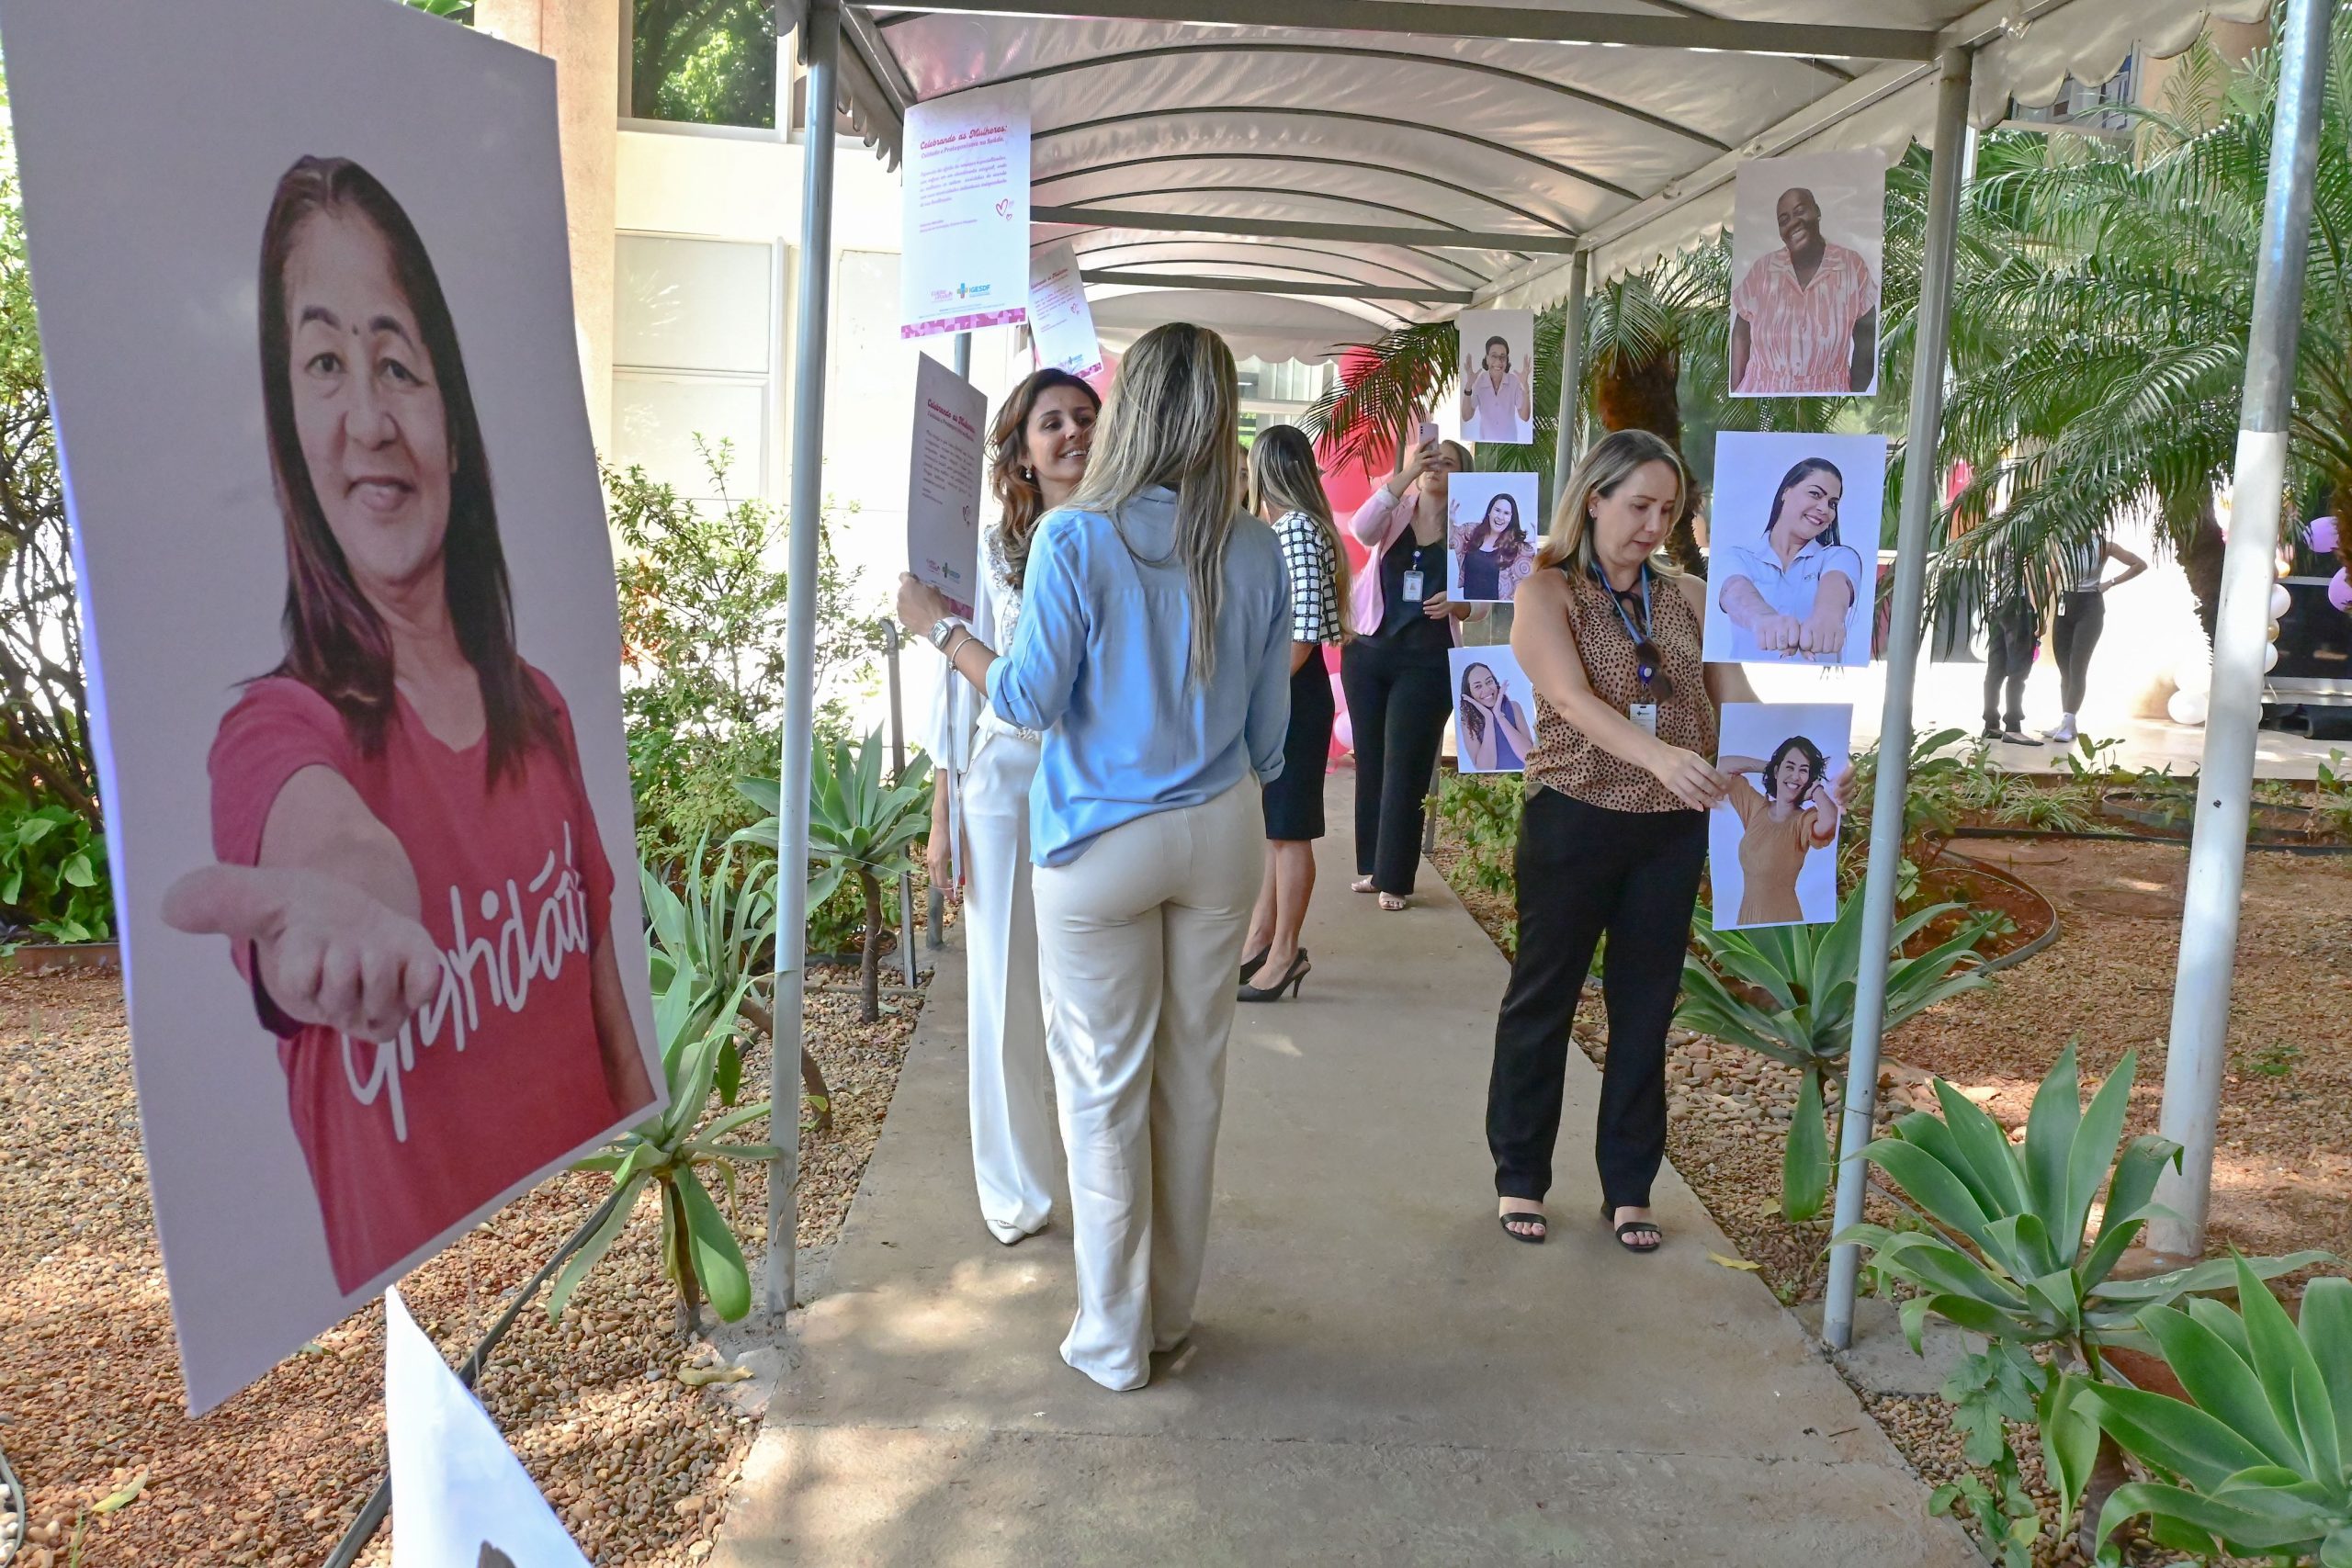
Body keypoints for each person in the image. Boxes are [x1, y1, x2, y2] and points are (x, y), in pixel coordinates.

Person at [162, 156, 653, 1293]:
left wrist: (652, 1183)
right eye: (325, 363)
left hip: (584, 1266)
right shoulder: (272, 732)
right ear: (289, 419)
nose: (370, 419)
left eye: (397, 363)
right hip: (433, 1324)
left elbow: (602, 1006)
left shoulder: (539, 709)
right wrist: (344, 911)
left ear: (451, 415)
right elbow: (324, 842)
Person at [895, 322, 1291, 1393]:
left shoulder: (1079, 539)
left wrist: (938, 630)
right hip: (1222, 832)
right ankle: (1167, 1315)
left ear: (1134, 411)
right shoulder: (1256, 546)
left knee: (1103, 1087)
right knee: (1191, 1081)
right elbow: (1270, 738)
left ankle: (1113, 1338)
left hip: (1098, 838)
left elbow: (1025, 700)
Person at [1485, 429, 1759, 1256]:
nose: (1653, 524)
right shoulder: (1547, 593)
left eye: (1668, 509)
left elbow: (1739, 703)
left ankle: (1630, 1186)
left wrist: (1810, 768)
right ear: (1594, 497)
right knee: (1545, 997)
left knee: (1646, 1007)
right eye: (1639, 504)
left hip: (1671, 832)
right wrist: (1663, 757)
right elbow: (1569, 699)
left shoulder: (1692, 596)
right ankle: (1520, 1175)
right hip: (1576, 817)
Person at [919, 367, 1100, 1244]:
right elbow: (956, 694)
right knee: (1000, 985)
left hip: (1098, 780)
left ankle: (1097, 1173)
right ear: (1022, 451)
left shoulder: (1121, 529)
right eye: (1051, 422)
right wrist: (940, 811)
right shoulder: (992, 551)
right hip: (1002, 778)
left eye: (1084, 418)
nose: (1071, 433)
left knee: (1086, 993)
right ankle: (1017, 1190)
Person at [1343, 436, 1480, 910]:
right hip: (1370, 650)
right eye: (1430, 458)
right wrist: (1402, 476)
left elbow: (1485, 601)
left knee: (1407, 764)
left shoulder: (1473, 525)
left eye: (1448, 461)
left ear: (1465, 474)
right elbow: (1362, 530)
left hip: (1427, 660)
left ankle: (1396, 878)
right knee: (1373, 760)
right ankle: (1373, 867)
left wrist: (1460, 604)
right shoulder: (1398, 509)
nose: (1436, 465)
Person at [1239, 424, 1348, 1004]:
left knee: (1289, 831)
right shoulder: (1294, 528)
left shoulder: (1297, 530)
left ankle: (1284, 954)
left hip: (1292, 693)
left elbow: (1302, 635)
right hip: (1289, 691)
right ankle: (1262, 941)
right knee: (1277, 829)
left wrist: (1255, 696)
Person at [1730, 186, 1878, 396]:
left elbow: (1867, 338)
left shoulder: (1851, 267)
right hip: (1759, 392)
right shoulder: (1763, 269)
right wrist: (1737, 392)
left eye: (1800, 211)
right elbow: (1741, 331)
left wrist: (1850, 397)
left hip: (1828, 397)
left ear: (1817, 211)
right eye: (1784, 220)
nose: (1793, 223)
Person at [1714, 457, 1864, 664]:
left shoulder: (1840, 556)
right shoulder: (1739, 556)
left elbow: (1836, 586)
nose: (1824, 509)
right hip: (1745, 688)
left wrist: (1828, 617)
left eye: (1832, 503)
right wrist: (1763, 619)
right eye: (1815, 494)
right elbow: (1734, 590)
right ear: (1786, 492)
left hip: (1818, 690)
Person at [1718, 737, 1845, 927]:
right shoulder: (1755, 808)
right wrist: (1771, 767)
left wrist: (1817, 789)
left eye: (1803, 771)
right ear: (1777, 770)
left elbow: (1829, 821)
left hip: (1782, 921)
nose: (1795, 776)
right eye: (1790, 767)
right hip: (1747, 916)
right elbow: (1724, 765)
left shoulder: (1803, 821)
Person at [2042, 532, 2146, 744]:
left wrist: (2111, 582)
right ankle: (2067, 723)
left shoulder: (2103, 545)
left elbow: (2139, 564)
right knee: (2064, 669)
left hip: (2089, 607)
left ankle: (2069, 720)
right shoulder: (2061, 544)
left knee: (2077, 666)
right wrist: (2041, 613)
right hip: (2065, 606)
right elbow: (2050, 578)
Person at [1982, 568, 2041, 746]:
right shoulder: (2022, 540)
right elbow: (2030, 576)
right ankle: (2013, 726)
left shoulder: (1993, 541)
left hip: (1994, 603)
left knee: (1996, 667)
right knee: (2018, 669)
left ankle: (1991, 723)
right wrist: (2038, 614)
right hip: (2016, 605)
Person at [1453, 491, 1534, 604]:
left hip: (1499, 610)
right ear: (1489, 512)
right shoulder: (1471, 531)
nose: (1500, 517)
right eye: (1497, 510)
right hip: (1470, 607)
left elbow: (1526, 588)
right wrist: (1449, 522)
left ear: (1511, 518)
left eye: (1506, 513)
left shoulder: (1519, 548)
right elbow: (1451, 541)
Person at [1456, 660, 1535, 773]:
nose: (1487, 690)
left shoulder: (1513, 707)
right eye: (1478, 686)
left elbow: (1529, 758)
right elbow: (1485, 768)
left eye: (1489, 681)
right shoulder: (1468, 723)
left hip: (1524, 780)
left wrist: (1499, 716)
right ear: (1469, 693)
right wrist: (1489, 719)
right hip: (1493, 784)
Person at [1459, 334, 1532, 442]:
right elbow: (1466, 416)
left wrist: (1526, 388)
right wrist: (1469, 385)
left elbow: (1525, 417)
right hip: (1485, 443)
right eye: (1494, 356)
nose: (1499, 361)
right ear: (1487, 358)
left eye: (1503, 357)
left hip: (1510, 443)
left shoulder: (1513, 381)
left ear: (1507, 360)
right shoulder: (1480, 381)